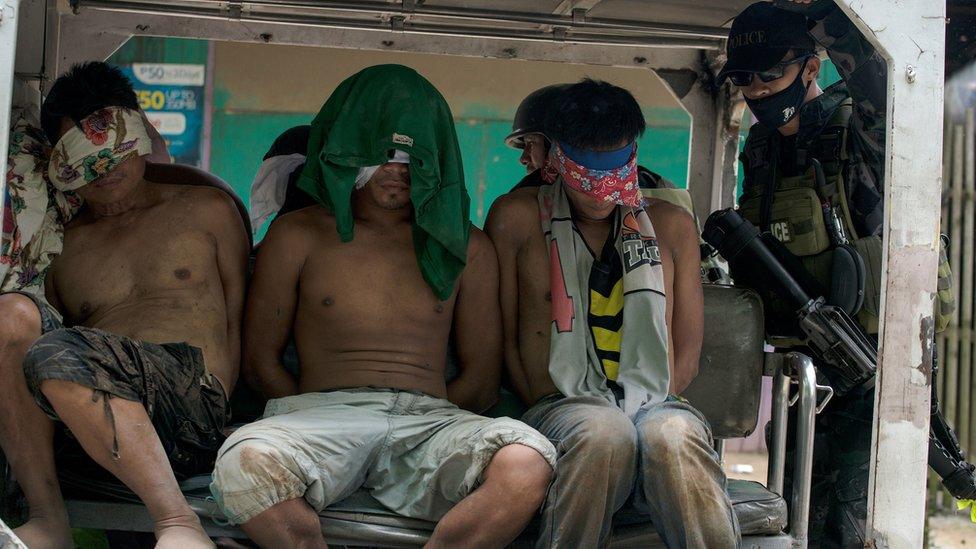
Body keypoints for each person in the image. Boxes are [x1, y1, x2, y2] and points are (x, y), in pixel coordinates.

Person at [209, 64, 556, 548]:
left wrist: (420, 422)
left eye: (411, 157)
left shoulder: (467, 247)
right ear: (347, 148)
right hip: (317, 416)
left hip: (431, 420)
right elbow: (260, 361)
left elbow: (480, 380)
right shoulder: (296, 235)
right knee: (241, 462)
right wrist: (313, 410)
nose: (396, 171)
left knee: (527, 461)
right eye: (381, 155)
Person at [0, 61, 248, 549]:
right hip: (87, 411)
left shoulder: (207, 209)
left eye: (115, 152)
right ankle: (48, 518)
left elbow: (242, 316)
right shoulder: (63, 244)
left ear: (141, 133)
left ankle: (178, 523)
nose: (105, 172)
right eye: (85, 160)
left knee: (61, 354)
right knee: (12, 316)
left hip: (189, 404)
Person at [486, 78, 738, 548]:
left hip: (656, 402)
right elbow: (504, 339)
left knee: (675, 434)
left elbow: (686, 349)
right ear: (557, 157)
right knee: (601, 431)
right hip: (559, 404)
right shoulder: (515, 219)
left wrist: (640, 409)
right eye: (585, 163)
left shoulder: (673, 226)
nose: (600, 189)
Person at [716, 0, 927, 545]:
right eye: (745, 78)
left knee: (852, 528)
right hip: (798, 369)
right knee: (790, 517)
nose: (758, 90)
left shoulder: (853, 130)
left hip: (864, 365)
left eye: (771, 74)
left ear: (811, 68)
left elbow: (890, 89)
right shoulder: (760, 147)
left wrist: (829, 20)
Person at [505, 84, 677, 192]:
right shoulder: (522, 200)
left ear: (558, 144)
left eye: (531, 143)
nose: (524, 158)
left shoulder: (659, 191)